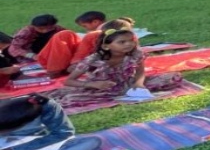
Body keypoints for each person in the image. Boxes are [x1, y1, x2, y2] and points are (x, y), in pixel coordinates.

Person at [49, 28, 183, 111]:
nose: (129, 44)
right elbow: (69, 81)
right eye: (122, 42)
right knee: (71, 99)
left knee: (174, 76)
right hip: (100, 88)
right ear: (107, 47)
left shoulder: (136, 54)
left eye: (131, 40)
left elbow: (140, 71)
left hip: (128, 84)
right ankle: (119, 95)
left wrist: (139, 83)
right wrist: (92, 84)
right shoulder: (93, 59)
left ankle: (130, 93)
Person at [0, 94, 101, 150]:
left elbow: (64, 133)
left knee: (92, 142)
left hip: (31, 141)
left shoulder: (45, 105)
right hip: (4, 142)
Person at [36, 11, 116, 77]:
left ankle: (54, 70)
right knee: (65, 35)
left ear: (95, 22)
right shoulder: (96, 32)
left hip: (87, 60)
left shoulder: (95, 34)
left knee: (64, 36)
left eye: (85, 26)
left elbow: (84, 52)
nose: (85, 28)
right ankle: (54, 68)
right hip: (85, 58)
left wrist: (76, 63)